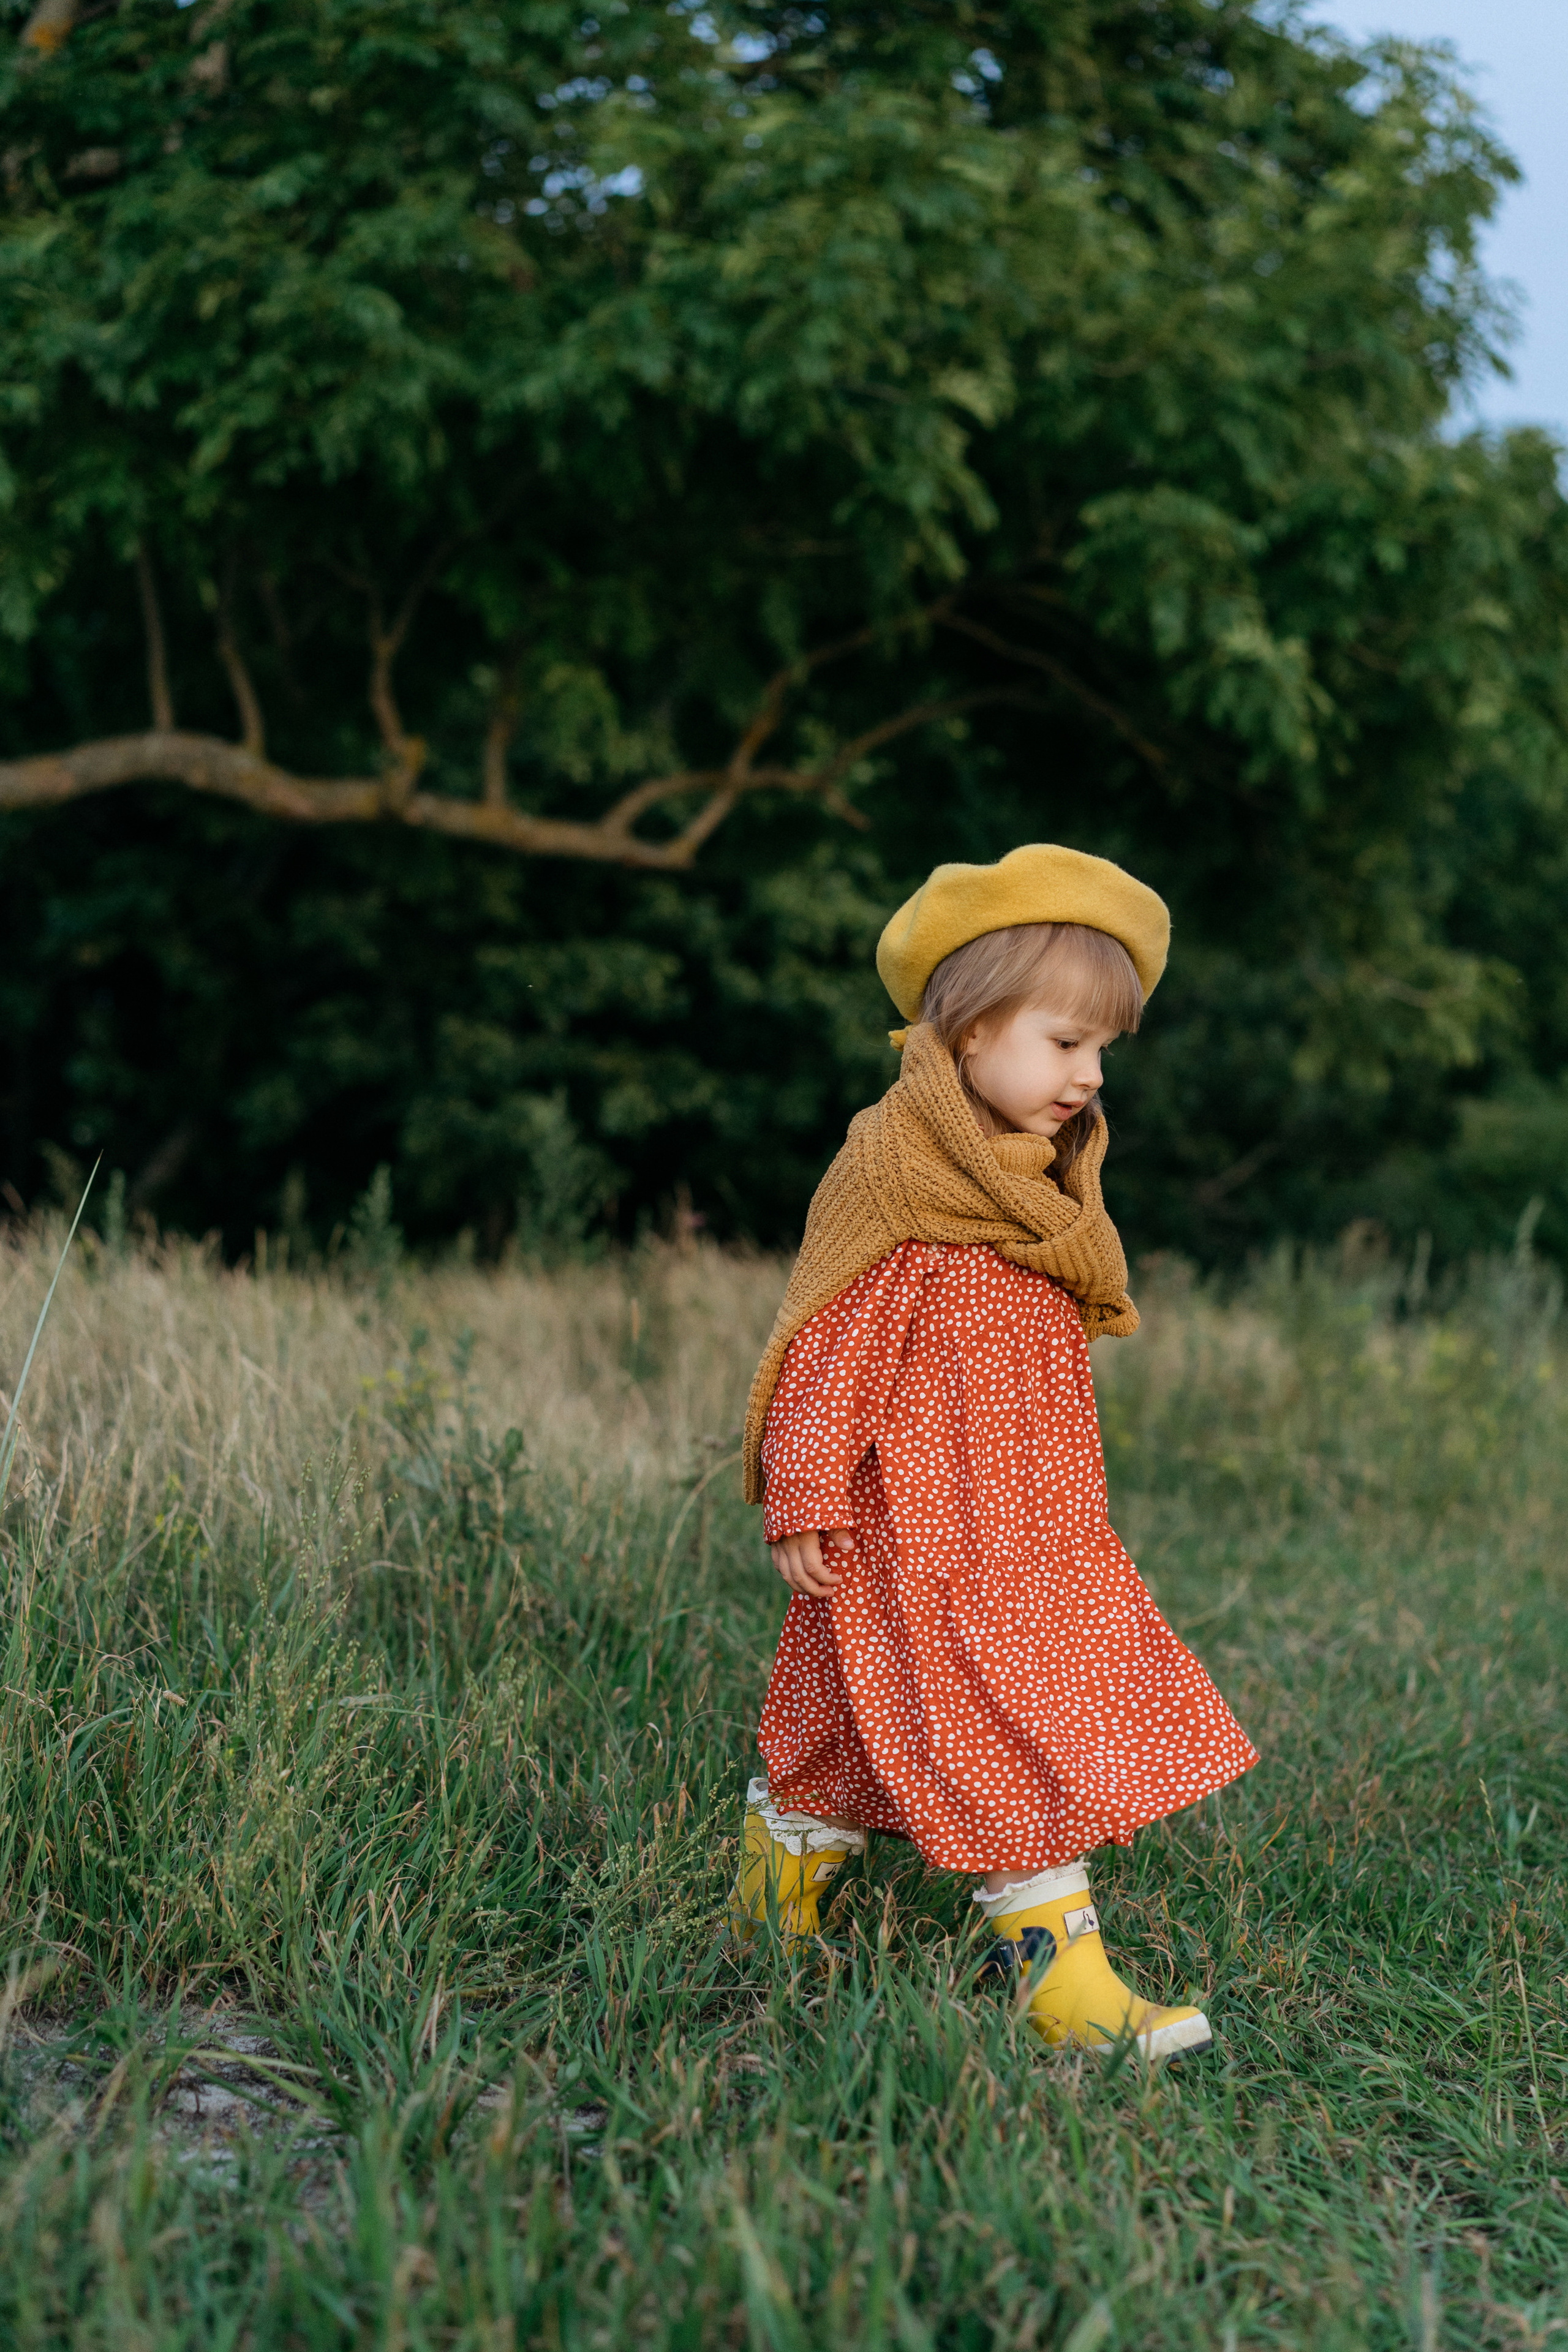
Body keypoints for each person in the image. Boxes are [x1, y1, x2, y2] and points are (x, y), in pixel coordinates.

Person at [728, 844, 1257, 2060]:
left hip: (1020, 1512)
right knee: (996, 1722)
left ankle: (769, 1909)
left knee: (845, 1718)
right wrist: (804, 1484)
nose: (1085, 1074)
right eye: (1060, 1041)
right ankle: (1061, 1986)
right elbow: (829, 1341)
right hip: (914, 1518)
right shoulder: (899, 1167)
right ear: (966, 1034)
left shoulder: (1039, 1182)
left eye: (1099, 1050)